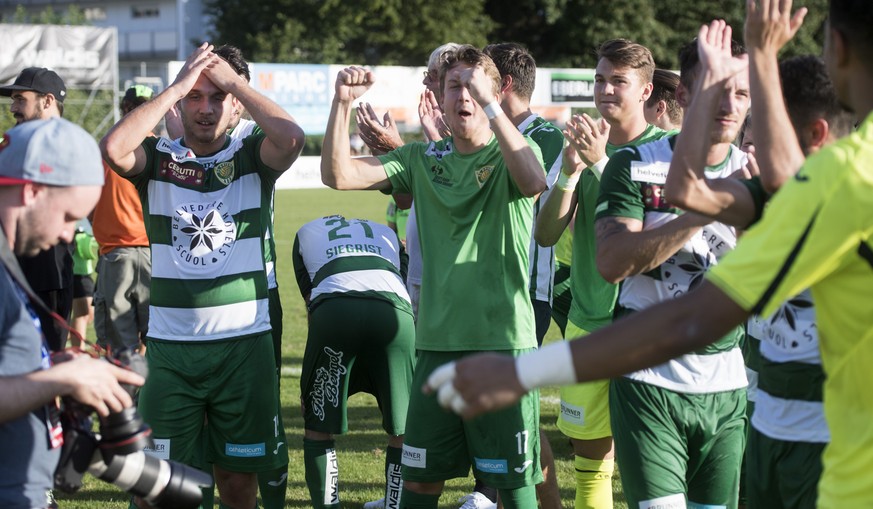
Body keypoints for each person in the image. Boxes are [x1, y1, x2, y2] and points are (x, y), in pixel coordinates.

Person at [429, 1, 873, 507]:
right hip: (715, 399)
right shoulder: (836, 176)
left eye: (743, 94)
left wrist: (520, 373)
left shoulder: (840, 180)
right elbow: (697, 198)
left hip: (783, 420)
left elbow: (689, 316)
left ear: (836, 48)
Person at [321, 45, 546, 509]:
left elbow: (533, 182)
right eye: (454, 86)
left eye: (474, 86)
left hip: (503, 345)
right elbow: (337, 174)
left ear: (494, 93)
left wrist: (491, 106)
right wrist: (342, 102)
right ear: (440, 98)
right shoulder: (420, 160)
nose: (463, 96)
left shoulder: (515, 152)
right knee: (420, 484)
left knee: (517, 487)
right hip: (436, 348)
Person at [100, 42, 304, 509]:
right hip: (172, 354)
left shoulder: (252, 154)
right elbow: (114, 147)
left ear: (235, 103)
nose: (206, 108)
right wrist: (176, 86)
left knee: (236, 485)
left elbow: (292, 139)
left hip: (244, 347)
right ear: (182, 103)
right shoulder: (157, 161)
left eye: (218, 97)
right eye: (197, 97)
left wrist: (232, 81)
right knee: (162, 490)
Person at [664, 6, 853, 507]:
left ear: (813, 137)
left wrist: (763, 54)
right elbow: (683, 188)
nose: (748, 141)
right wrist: (711, 84)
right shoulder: (767, 193)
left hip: (829, 443)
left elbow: (791, 184)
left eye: (761, 128)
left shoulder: (850, 193)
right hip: (764, 425)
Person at [534, 38, 667, 509]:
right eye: (599, 79)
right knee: (592, 464)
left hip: (650, 329)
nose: (605, 89)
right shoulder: (579, 145)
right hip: (587, 322)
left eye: (618, 81)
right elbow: (546, 234)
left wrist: (601, 163)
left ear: (646, 90)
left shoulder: (664, 151)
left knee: (653, 465)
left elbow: (660, 232)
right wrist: (570, 170)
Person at [0, 117, 145, 509]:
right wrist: (60, 377)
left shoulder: (10, 259)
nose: (70, 234)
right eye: (68, 217)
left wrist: (52, 366)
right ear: (31, 191)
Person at [484, 41, 563, 509]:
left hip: (523, 293)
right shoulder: (495, 132)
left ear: (504, 85)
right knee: (500, 412)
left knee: (519, 417)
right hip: (488, 291)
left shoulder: (544, 137)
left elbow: (542, 206)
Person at [292, 215, 415, 509]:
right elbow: (405, 287)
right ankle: (394, 505)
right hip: (393, 313)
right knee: (403, 426)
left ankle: (328, 506)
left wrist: (310, 379)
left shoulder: (305, 232)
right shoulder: (387, 233)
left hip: (335, 311)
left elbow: (313, 304)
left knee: (318, 424)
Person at [1, 67, 74, 352]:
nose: (13, 108)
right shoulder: (15, 143)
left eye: (21, 99)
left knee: (48, 360)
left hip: (48, 275)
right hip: (13, 271)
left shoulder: (66, 144)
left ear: (47, 101)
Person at [91, 85, 154, 352]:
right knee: (158, 340)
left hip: (118, 255)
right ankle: (146, 394)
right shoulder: (163, 149)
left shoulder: (108, 149)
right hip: (156, 255)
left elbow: (88, 201)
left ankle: (129, 394)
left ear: (123, 109)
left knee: (120, 346)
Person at [68, 220, 98, 346]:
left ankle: (69, 335)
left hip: (86, 272)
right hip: (73, 271)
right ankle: (78, 351)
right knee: (82, 312)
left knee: (88, 314)